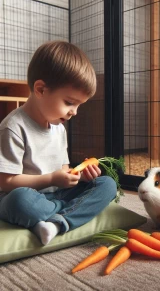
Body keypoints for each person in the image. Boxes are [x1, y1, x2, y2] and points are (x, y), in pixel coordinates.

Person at [0, 41, 117, 245]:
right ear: (41, 89)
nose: (74, 112)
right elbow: (6, 182)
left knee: (107, 184)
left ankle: (56, 222)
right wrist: (52, 179)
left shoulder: (59, 128)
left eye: (79, 105)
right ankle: (68, 212)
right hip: (25, 196)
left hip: (57, 193)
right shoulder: (13, 127)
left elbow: (64, 170)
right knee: (20, 202)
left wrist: (78, 177)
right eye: (69, 103)